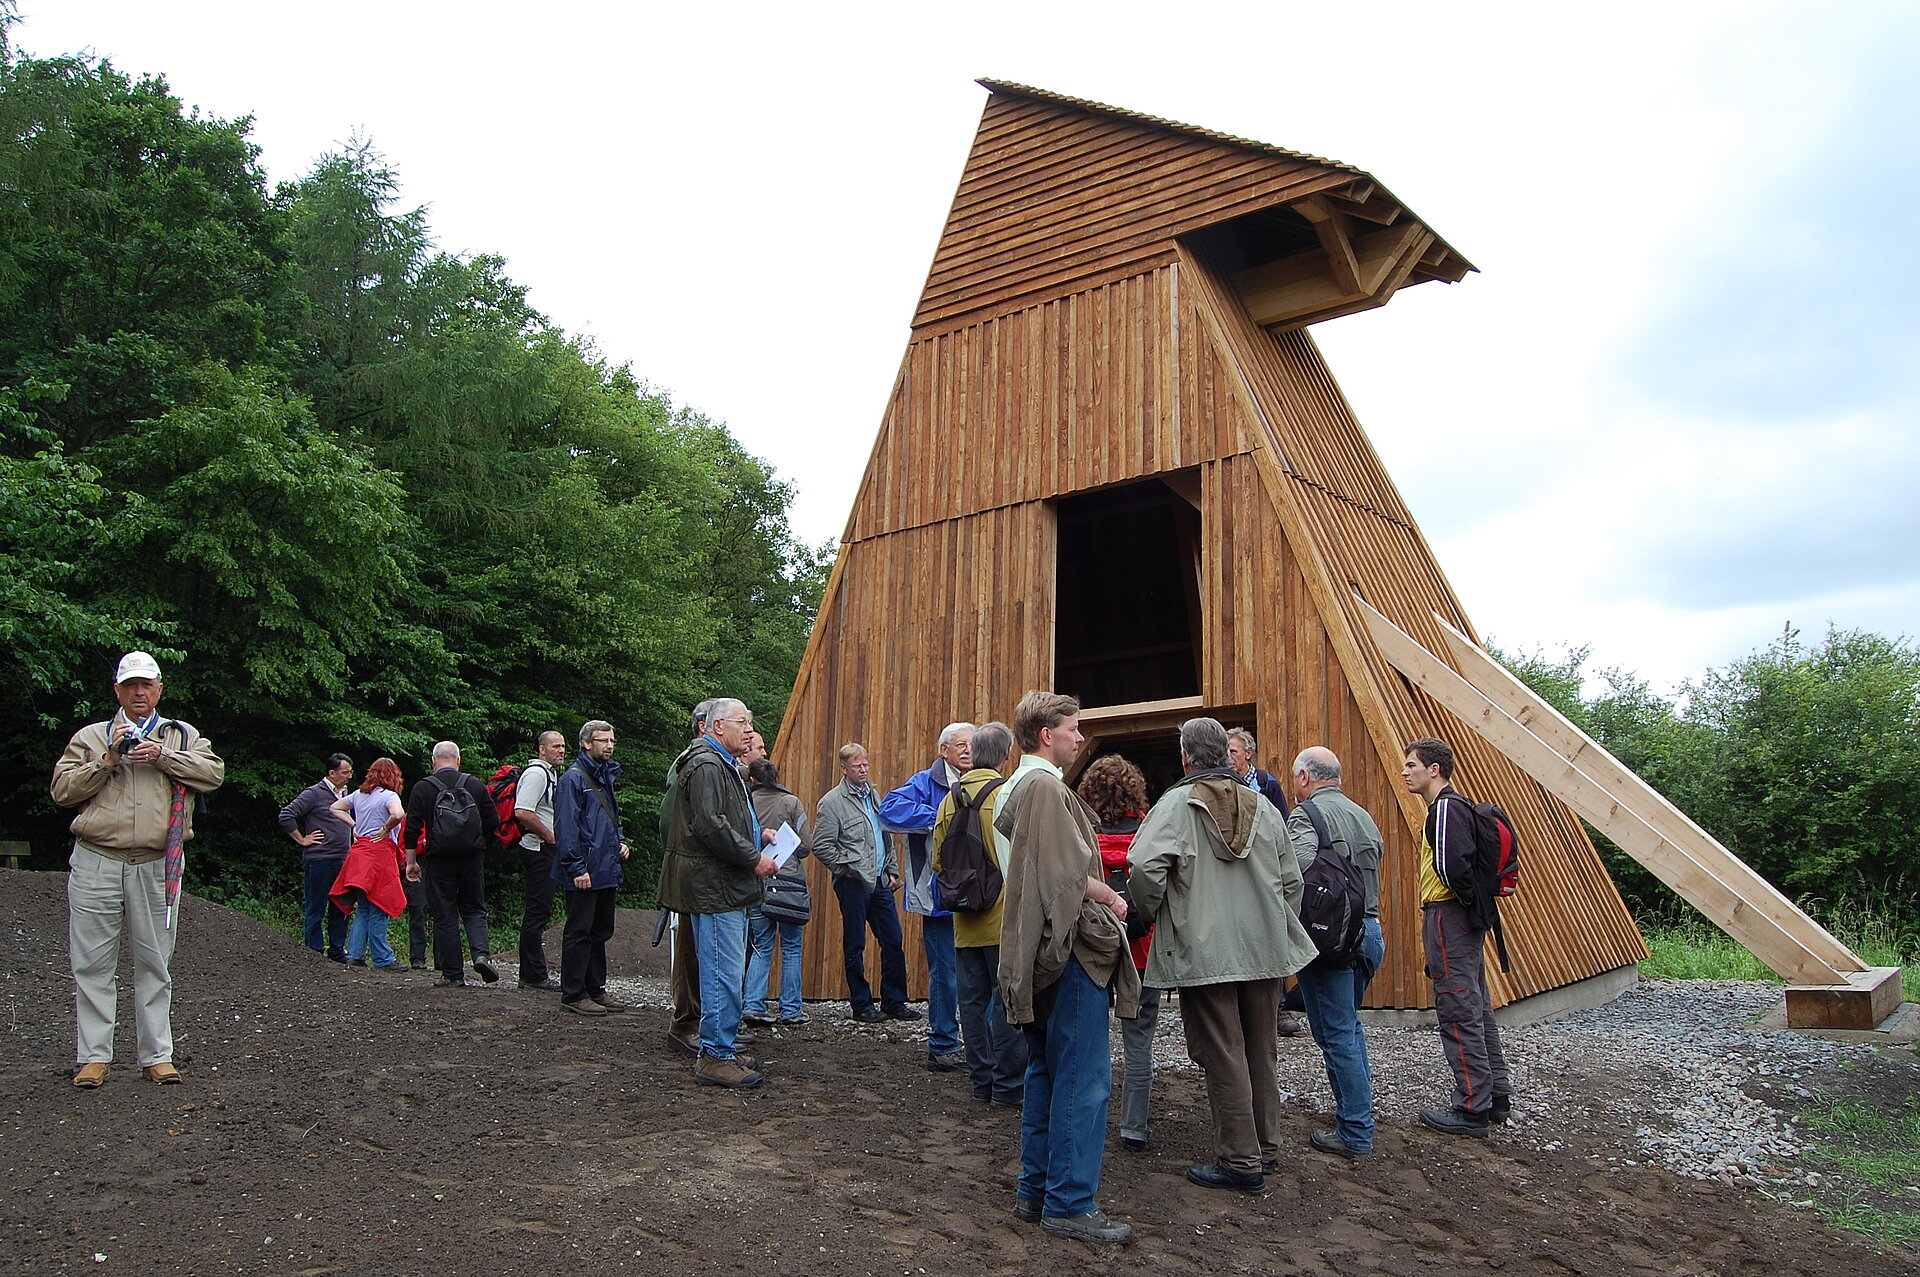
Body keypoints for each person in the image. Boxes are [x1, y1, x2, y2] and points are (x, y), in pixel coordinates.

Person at [1127, 717, 1317, 1195]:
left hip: (1205, 952)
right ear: (1227, 755)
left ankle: (1238, 1160)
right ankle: (1265, 1147)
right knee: (1260, 1049)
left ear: (1186, 757)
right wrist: (1273, 926)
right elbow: (1291, 881)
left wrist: (1146, 916)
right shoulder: (1263, 806)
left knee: (1222, 1053)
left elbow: (1145, 868)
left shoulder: (1176, 804)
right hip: (1265, 951)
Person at [995, 690, 1138, 1246]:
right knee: (1083, 1080)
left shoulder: (1014, 788)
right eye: (1073, 729)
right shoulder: (1046, 790)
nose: (1081, 738)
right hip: (1068, 953)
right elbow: (1062, 882)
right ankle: (1071, 1203)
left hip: (1032, 953)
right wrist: (1111, 896)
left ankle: (1036, 1192)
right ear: (1046, 735)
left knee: (1045, 1072)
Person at [52, 651, 226, 1088]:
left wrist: (162, 757)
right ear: (117, 691)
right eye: (130, 685)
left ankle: (157, 1055)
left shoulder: (182, 736)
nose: (139, 692)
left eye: (146, 684)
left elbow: (213, 774)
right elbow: (62, 790)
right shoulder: (92, 736)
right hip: (97, 859)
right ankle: (93, 1057)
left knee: (154, 962)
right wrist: (109, 758)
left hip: (157, 863)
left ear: (159, 689)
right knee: (91, 963)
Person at [659, 697, 777, 1087]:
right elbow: (710, 825)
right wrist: (753, 858)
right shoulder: (707, 764)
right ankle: (714, 1057)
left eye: (750, 722)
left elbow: (716, 820)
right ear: (714, 727)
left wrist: (755, 835)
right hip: (715, 887)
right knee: (721, 973)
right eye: (741, 722)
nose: (749, 729)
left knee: (725, 970)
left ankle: (721, 1046)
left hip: (721, 885)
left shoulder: (720, 764)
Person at [1403, 736, 1512, 1137]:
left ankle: (1471, 1107)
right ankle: (1495, 1095)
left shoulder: (1444, 809)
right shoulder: (1457, 807)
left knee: (1457, 1008)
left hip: (1447, 915)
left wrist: (1462, 903)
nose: (1405, 772)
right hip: (1463, 918)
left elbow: (1452, 869)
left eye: (1412, 765)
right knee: (1477, 1005)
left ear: (1435, 770)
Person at [1286, 746, 1386, 1158]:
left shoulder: (1307, 816)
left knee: (1337, 1035)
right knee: (1349, 1027)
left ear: (1305, 777)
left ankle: (1355, 1131)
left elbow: (1295, 873)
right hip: (1371, 935)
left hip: (1331, 942)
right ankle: (1358, 1116)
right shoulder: (1363, 815)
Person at [931, 720, 1028, 1107]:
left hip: (963, 920)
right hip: (1003, 919)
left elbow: (939, 859)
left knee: (970, 1004)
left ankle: (981, 1082)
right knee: (1006, 1003)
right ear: (1007, 757)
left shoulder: (950, 798)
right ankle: (1008, 1087)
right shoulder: (1009, 796)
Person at [880, 722, 973, 1070]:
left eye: (972, 745)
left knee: (979, 975)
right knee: (945, 974)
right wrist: (941, 817)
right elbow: (889, 810)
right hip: (939, 897)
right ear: (943, 750)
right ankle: (943, 1044)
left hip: (981, 897)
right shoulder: (925, 783)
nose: (967, 750)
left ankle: (979, 1044)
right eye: (960, 744)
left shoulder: (986, 780)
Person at [1077, 754, 1157, 1152]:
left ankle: (1087, 1119)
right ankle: (1133, 1128)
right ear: (1134, 791)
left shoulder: (1083, 836)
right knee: (1138, 1042)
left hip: (1093, 949)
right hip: (1140, 952)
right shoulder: (1148, 833)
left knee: (1089, 1039)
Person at [814, 743, 917, 1025]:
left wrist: (892, 870)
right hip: (854, 882)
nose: (863, 770)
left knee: (893, 940)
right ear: (844, 769)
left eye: (866, 765)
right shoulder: (832, 802)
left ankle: (894, 1001)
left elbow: (885, 835)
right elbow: (821, 845)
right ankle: (861, 1003)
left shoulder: (873, 795)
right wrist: (846, 867)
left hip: (881, 880)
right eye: (857, 766)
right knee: (855, 943)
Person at [402, 741, 501, 988]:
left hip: (438, 859)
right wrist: (479, 843)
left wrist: (412, 862)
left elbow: (412, 829)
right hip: (471, 857)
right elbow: (493, 820)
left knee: (445, 914)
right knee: (474, 908)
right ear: (458, 760)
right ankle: (480, 954)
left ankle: (453, 974)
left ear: (433, 761)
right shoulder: (474, 784)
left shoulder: (423, 788)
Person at [552, 720, 631, 1016]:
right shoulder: (573, 779)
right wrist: (575, 867)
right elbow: (567, 826)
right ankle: (573, 992)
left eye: (612, 740)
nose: (609, 745)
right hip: (585, 869)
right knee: (579, 930)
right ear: (587, 743)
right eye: (603, 740)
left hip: (605, 866)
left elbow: (609, 817)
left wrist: (620, 841)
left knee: (600, 930)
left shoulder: (604, 776)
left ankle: (595, 988)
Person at [660, 699, 714, 1057]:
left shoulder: (709, 764)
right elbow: (671, 822)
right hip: (695, 872)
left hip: (705, 872)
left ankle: (700, 1024)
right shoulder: (692, 765)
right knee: (689, 952)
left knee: (700, 952)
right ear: (704, 727)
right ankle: (684, 1024)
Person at [744, 757, 811, 1027]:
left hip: (756, 881)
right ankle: (791, 1009)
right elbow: (806, 844)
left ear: (752, 779)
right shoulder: (792, 802)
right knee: (792, 947)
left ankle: (753, 1005)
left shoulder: (745, 802)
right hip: (790, 883)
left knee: (761, 946)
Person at [328, 757, 408, 970]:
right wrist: (385, 829)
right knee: (380, 906)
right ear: (393, 776)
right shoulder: (389, 796)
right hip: (379, 856)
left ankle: (355, 954)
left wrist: (354, 825)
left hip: (359, 855)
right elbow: (398, 814)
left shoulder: (359, 795)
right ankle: (383, 958)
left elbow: (335, 808)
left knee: (364, 907)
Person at [278, 753, 355, 964]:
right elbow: (286, 815)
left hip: (343, 859)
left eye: (350, 772)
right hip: (320, 859)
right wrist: (302, 839)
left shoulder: (345, 794)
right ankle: (313, 952)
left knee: (341, 907)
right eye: (345, 772)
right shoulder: (314, 793)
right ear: (332, 773)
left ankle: (337, 951)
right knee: (316, 907)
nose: (349, 776)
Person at [511, 730, 566, 990]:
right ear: (541, 750)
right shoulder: (536, 774)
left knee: (540, 910)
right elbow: (522, 811)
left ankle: (533, 971)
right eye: (555, 746)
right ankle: (532, 974)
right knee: (537, 911)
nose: (561, 750)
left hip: (543, 848)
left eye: (563, 746)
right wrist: (550, 836)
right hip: (537, 849)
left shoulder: (550, 775)